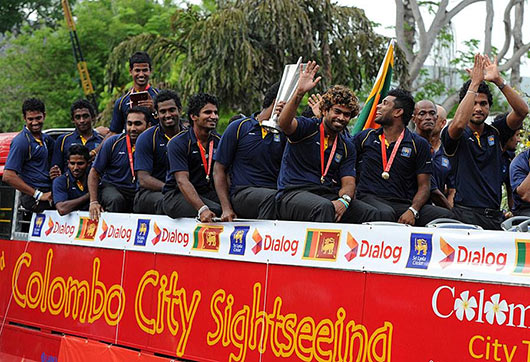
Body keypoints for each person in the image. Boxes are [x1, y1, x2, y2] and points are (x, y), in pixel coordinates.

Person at [276, 61, 379, 223]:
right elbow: (284, 124)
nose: (341, 118)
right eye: (337, 112)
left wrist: (344, 201)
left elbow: (349, 182)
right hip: (293, 193)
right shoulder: (308, 127)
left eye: (347, 115)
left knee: (370, 213)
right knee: (324, 207)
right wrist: (299, 93)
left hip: (325, 194)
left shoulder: (346, 145)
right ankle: (320, 249)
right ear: (324, 110)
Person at [441, 54, 528, 229]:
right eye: (474, 103)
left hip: (494, 217)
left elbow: (522, 111)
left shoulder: (496, 132)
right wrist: (474, 83)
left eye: (483, 103)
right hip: (464, 215)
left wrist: (498, 80)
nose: (478, 108)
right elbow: (458, 123)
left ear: (489, 106)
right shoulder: (455, 133)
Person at [354, 89, 453, 226]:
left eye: (385, 103)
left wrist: (413, 210)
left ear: (397, 112)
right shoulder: (365, 137)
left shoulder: (419, 144)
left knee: (444, 216)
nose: (378, 107)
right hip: (369, 199)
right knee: (384, 213)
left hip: (403, 203)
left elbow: (424, 186)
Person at [214, 83, 286, 221]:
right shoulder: (239, 127)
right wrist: (226, 208)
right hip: (242, 193)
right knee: (271, 198)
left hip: (274, 193)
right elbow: (219, 170)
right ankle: (263, 240)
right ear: (276, 103)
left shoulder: (285, 133)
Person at [162, 93, 222, 221]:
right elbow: (182, 181)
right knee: (216, 210)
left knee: (232, 206)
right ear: (194, 116)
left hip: (206, 193)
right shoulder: (178, 143)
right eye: (208, 112)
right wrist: (202, 209)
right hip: (176, 195)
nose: (214, 117)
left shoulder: (219, 141)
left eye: (215, 113)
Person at [88, 107, 150, 220]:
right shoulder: (113, 142)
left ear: (148, 125)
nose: (133, 128)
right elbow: (94, 172)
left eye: (138, 124)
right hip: (114, 187)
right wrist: (93, 201)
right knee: (115, 200)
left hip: (139, 190)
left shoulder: (153, 144)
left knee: (146, 201)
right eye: (129, 124)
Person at [133, 90, 182, 214]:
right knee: (167, 202)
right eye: (163, 112)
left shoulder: (188, 135)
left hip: (182, 189)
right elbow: (143, 179)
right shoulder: (146, 138)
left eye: (172, 110)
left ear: (180, 110)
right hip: (150, 192)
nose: (168, 115)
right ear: (156, 115)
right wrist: (169, 188)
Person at [3, 98, 54, 212]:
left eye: (38, 118)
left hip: (49, 190)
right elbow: (8, 175)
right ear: (24, 118)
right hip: (33, 197)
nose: (35, 122)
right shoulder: (21, 141)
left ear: (44, 116)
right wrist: (38, 195)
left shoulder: (46, 139)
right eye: (30, 119)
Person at [412, 100, 453, 210]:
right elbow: (432, 189)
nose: (428, 117)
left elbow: (452, 188)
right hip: (411, 207)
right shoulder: (408, 144)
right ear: (413, 118)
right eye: (422, 114)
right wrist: (452, 214)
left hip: (437, 210)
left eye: (432, 114)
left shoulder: (448, 150)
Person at [107, 51, 159, 137]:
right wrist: (96, 150)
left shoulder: (160, 97)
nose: (141, 74)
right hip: (130, 148)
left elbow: (171, 125)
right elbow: (115, 132)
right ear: (130, 71)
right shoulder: (121, 102)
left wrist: (154, 110)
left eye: (145, 70)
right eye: (137, 70)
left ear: (150, 71)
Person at [50, 99, 103, 175]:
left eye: (85, 116)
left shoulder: (102, 141)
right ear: (73, 120)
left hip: (95, 185)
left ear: (93, 117)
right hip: (70, 186)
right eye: (78, 117)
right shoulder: (63, 140)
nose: (82, 120)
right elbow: (56, 171)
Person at [52, 145, 90, 215]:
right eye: (72, 163)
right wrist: (89, 195)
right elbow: (62, 209)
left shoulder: (95, 179)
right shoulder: (60, 181)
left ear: (88, 163)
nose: (76, 168)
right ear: (68, 163)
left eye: (80, 163)